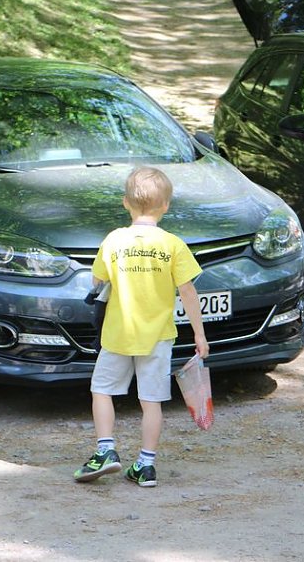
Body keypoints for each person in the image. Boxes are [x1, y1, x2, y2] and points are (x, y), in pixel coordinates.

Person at [73, 166, 209, 488]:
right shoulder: (172, 244)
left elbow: (97, 281)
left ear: (125, 203)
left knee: (102, 390)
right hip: (158, 337)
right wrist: (199, 334)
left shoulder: (114, 240)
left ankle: (106, 450)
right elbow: (188, 291)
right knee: (151, 401)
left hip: (118, 334)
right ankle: (146, 465)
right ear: (165, 206)